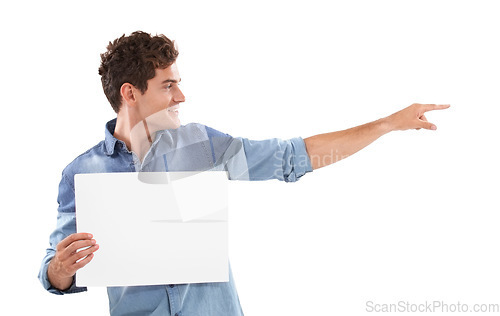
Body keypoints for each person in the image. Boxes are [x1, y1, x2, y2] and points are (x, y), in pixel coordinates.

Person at [38, 31, 450, 316]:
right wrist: (60, 269)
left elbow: (293, 157)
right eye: (167, 86)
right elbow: (53, 271)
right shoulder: (81, 172)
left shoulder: (202, 146)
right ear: (130, 93)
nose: (181, 95)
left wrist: (387, 124)